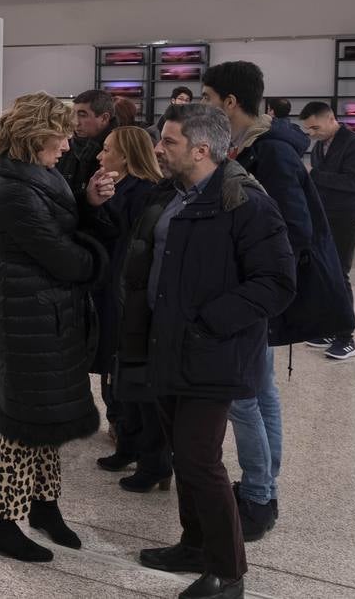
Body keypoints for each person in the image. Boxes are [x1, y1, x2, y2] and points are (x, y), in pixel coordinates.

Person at [132, 104, 295, 599]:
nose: (158, 148)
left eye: (170, 142)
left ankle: (228, 573)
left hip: (211, 353)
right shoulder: (172, 195)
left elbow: (277, 282)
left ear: (202, 150)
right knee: (185, 454)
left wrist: (209, 322)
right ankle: (194, 544)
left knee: (201, 460)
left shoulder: (244, 203)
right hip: (167, 347)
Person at [202, 61, 355, 540]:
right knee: (258, 390)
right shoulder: (255, 147)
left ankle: (259, 494)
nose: (204, 107)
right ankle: (261, 486)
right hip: (256, 289)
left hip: (255, 293)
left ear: (229, 102)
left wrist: (251, 279)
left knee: (244, 395)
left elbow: (293, 230)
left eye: (208, 98)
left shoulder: (270, 153)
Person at [0, 92, 111, 564]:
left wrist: (86, 201)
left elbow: (59, 225)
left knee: (46, 416)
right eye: (61, 130)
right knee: (25, 423)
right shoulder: (12, 188)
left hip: (46, 310)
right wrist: (99, 257)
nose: (69, 138)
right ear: (37, 135)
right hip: (28, 313)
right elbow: (62, 256)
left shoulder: (38, 174)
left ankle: (43, 505)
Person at [86, 126, 171, 492]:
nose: (99, 156)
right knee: (121, 371)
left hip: (133, 294)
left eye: (107, 150)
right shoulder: (123, 189)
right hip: (117, 288)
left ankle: (153, 461)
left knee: (138, 378)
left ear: (125, 155)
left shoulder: (147, 193)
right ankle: (130, 444)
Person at [299, 100, 355, 357]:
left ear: (331, 119)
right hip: (324, 216)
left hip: (346, 219)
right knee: (326, 273)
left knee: (340, 275)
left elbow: (354, 182)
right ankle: (331, 328)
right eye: (308, 129)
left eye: (315, 128)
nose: (312, 134)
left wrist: (314, 175)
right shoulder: (321, 146)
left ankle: (346, 337)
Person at [57, 89, 114, 197]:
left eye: (83, 115)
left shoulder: (119, 149)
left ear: (104, 118)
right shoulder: (66, 147)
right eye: (74, 115)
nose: (76, 122)